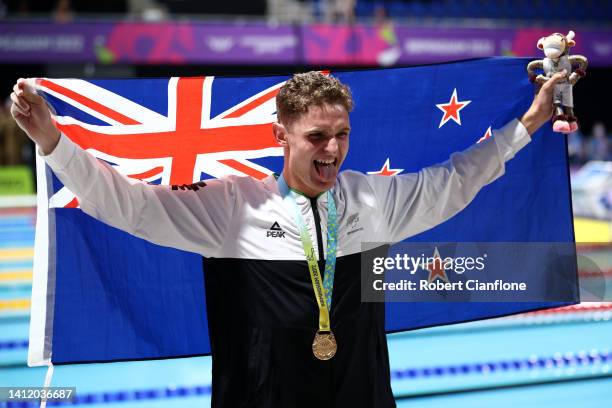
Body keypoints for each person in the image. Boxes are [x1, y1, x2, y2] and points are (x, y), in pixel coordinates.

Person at [10, 69, 568, 407]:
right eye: (317, 136)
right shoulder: (230, 209)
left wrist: (533, 120)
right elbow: (126, 205)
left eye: (342, 134)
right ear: (281, 135)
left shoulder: (374, 201)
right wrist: (53, 141)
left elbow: (459, 179)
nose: (332, 149)